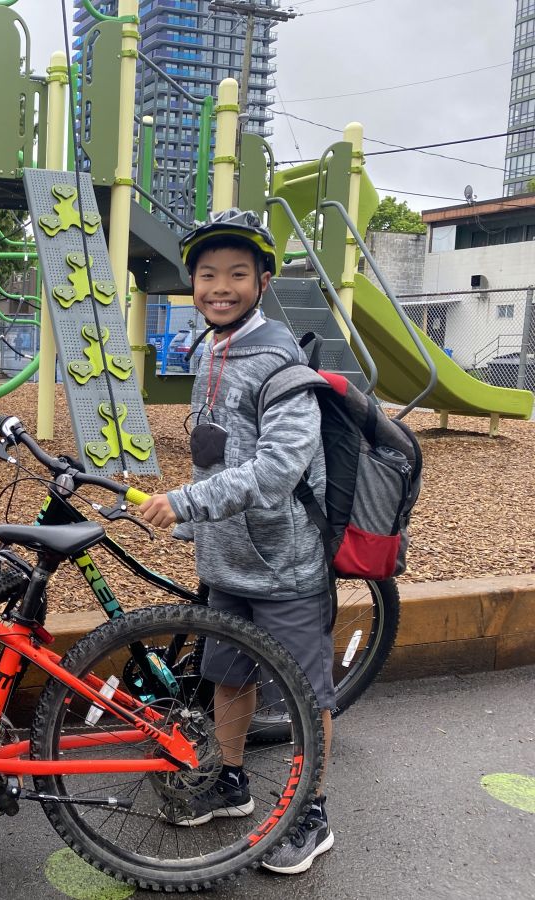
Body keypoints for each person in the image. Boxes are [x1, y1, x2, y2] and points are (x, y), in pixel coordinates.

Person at [136, 209, 335, 875]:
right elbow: (212, 455)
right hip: (229, 565)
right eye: (207, 274)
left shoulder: (279, 360)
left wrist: (186, 502)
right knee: (227, 677)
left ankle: (311, 811)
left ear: (264, 280)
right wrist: (191, 522)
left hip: (285, 565)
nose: (220, 286)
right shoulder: (212, 349)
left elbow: (278, 471)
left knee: (307, 695)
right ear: (191, 283)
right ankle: (230, 782)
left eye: (237, 274)